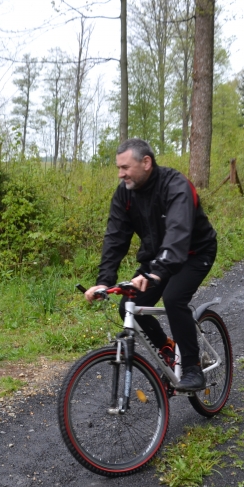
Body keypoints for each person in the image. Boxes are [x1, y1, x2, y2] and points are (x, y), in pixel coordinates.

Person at [85, 138, 218, 391]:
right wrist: (104, 280)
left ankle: (192, 368)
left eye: (125, 167)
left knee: (174, 297)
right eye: (118, 168)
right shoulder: (125, 193)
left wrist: (157, 272)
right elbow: (115, 238)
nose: (120, 174)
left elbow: (178, 232)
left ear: (146, 162)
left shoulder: (176, 185)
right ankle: (168, 348)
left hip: (194, 252)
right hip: (157, 257)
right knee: (128, 306)